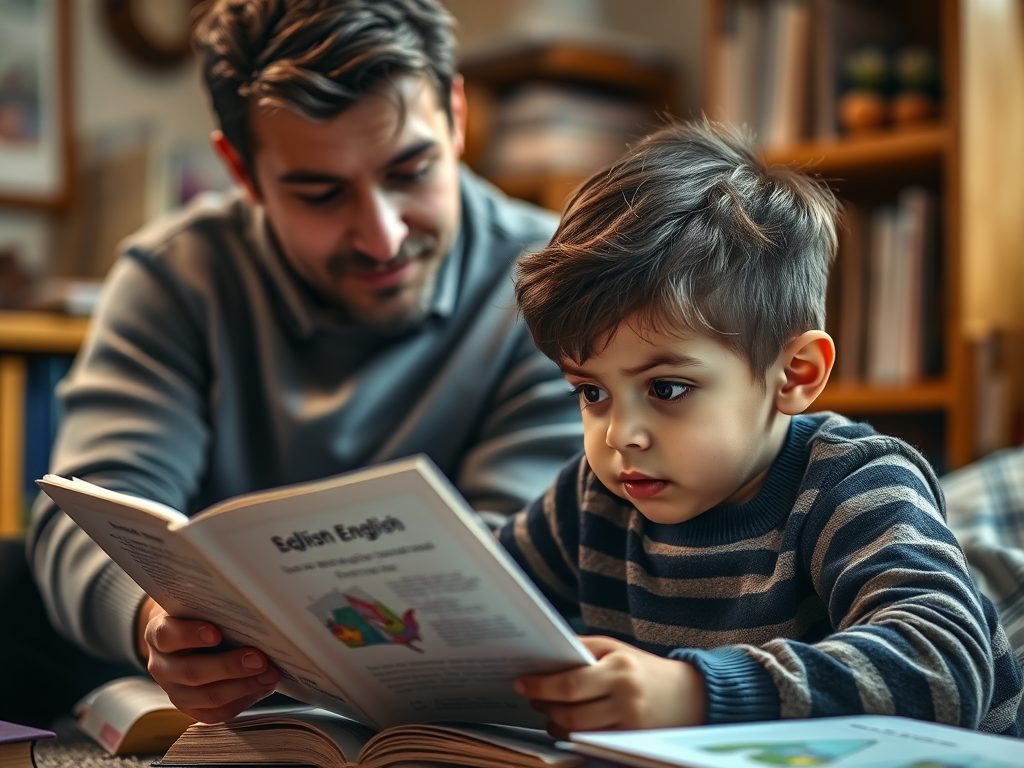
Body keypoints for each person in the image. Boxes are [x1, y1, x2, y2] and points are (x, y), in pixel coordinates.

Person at [25, 0, 582, 725]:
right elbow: (91, 509)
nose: (382, 237)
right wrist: (156, 623)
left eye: (411, 170)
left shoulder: (558, 285)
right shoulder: (175, 278)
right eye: (320, 193)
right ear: (243, 172)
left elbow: (527, 550)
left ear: (455, 113)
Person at [497, 120, 1024, 736]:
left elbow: (941, 668)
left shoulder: (853, 485)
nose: (619, 436)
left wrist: (695, 692)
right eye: (591, 392)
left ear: (795, 375)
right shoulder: (592, 499)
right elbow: (482, 593)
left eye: (666, 389)